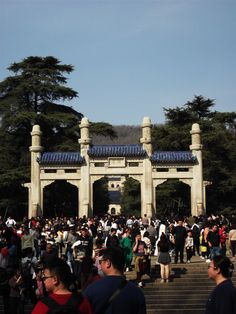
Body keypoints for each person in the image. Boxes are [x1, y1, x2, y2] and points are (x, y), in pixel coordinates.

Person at [83, 246, 146, 314]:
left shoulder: (92, 289)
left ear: (108, 263)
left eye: (101, 261)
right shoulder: (136, 292)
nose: (100, 264)